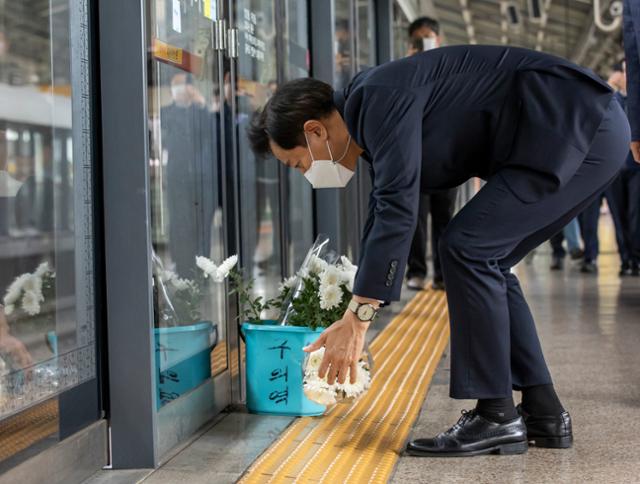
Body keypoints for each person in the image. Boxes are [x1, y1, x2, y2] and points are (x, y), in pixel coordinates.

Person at [248, 45, 629, 457]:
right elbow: (384, 207)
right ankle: (543, 411)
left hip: (575, 126)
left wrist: (358, 319)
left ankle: (496, 415)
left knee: (467, 248)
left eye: (298, 164)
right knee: (487, 258)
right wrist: (357, 307)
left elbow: (398, 205)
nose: (307, 175)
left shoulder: (377, 97)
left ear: (315, 131)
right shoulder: (369, 117)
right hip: (580, 130)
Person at [405, 17, 457, 291]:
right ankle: (416, 271)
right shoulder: (405, 70)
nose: (424, 43)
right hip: (417, 158)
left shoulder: (451, 66)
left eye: (428, 37)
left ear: (438, 39)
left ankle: (442, 274)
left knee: (445, 218)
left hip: (448, 158)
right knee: (416, 218)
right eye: (418, 39)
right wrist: (411, 63)